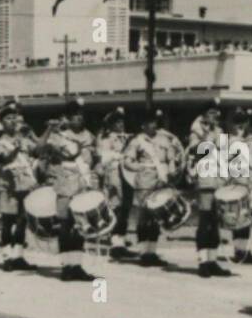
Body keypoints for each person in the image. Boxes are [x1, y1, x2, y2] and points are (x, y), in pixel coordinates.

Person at [46, 98, 96, 281]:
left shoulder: (90, 136)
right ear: (68, 118)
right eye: (75, 116)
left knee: (80, 226)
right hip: (66, 183)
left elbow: (92, 159)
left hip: (82, 183)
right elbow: (53, 153)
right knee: (66, 226)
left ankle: (77, 265)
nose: (79, 119)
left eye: (81, 116)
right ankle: (66, 266)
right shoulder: (59, 136)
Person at [122, 109, 172, 266]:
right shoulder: (137, 141)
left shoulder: (165, 139)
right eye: (149, 122)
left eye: (154, 122)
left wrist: (170, 172)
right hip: (144, 183)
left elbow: (171, 158)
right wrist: (141, 168)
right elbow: (127, 161)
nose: (153, 125)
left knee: (156, 218)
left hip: (161, 181)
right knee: (144, 218)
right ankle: (144, 253)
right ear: (143, 125)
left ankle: (153, 252)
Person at [188, 100, 231, 277]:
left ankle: (212, 260)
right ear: (205, 114)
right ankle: (203, 261)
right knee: (205, 221)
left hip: (219, 178)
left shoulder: (219, 130)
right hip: (206, 178)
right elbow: (194, 151)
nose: (216, 116)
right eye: (212, 113)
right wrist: (207, 139)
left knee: (215, 222)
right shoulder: (197, 131)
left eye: (217, 113)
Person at [0, 102, 35, 269]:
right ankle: (7, 257)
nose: (12, 121)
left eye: (14, 118)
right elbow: (3, 159)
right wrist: (15, 148)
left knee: (23, 221)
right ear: (2, 123)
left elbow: (37, 150)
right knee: (8, 221)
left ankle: (19, 256)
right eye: (8, 119)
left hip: (24, 183)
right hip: (8, 185)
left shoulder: (22, 139)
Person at [225, 107, 252, 265]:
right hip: (238, 182)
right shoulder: (232, 141)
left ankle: (247, 250)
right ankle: (239, 251)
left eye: (244, 122)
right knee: (239, 218)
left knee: (249, 218)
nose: (242, 125)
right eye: (238, 122)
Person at [96, 108, 135, 261]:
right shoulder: (106, 137)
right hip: (114, 175)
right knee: (116, 207)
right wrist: (120, 155)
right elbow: (104, 157)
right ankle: (114, 243)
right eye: (117, 122)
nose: (121, 125)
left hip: (127, 175)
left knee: (126, 207)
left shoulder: (124, 137)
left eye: (121, 122)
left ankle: (121, 241)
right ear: (111, 125)